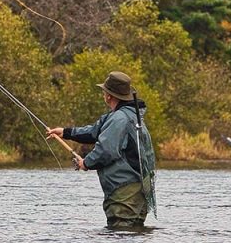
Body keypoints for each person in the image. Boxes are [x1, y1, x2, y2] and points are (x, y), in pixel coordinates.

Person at [46, 71, 156, 229]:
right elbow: (94, 132)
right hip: (134, 191)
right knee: (133, 234)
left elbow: (107, 150)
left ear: (109, 96)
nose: (103, 94)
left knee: (121, 234)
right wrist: (65, 132)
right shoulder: (126, 115)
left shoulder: (120, 119)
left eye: (104, 91)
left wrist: (86, 163)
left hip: (124, 192)